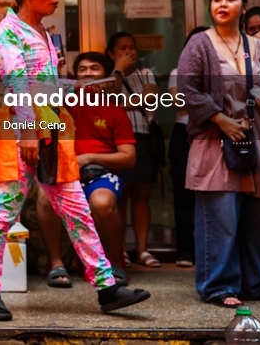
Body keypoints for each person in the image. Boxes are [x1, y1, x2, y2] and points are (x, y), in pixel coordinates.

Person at [0, 0, 149, 321]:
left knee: (77, 211)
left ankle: (106, 288)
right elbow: (17, 83)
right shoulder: (7, 31)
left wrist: (80, 86)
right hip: (19, 132)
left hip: (52, 129)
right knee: (3, 213)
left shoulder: (46, 33)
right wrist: (27, 132)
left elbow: (46, 85)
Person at [177, 0, 260, 307]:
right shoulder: (200, 43)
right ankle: (218, 287)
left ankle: (257, 284)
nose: (222, 4)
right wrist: (218, 117)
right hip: (214, 141)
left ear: (242, 5)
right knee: (221, 216)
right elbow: (185, 89)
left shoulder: (259, 47)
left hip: (258, 138)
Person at [37, 51, 136, 287]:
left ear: (106, 76)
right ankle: (57, 263)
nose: (89, 74)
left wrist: (88, 157)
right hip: (64, 173)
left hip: (100, 174)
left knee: (102, 202)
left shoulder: (115, 111)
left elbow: (129, 158)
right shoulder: (65, 104)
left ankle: (115, 264)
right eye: (83, 70)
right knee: (44, 197)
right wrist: (54, 72)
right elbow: (43, 99)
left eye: (95, 69)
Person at [105, 31, 161, 269]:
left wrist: (124, 105)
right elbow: (109, 101)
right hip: (115, 142)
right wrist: (117, 70)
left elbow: (151, 99)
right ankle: (120, 250)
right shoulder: (107, 77)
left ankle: (142, 250)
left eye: (132, 47)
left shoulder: (146, 73)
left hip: (143, 138)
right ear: (111, 53)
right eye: (122, 48)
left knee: (142, 195)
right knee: (119, 195)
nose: (128, 52)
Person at [167, 26, 208, 269]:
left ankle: (208, 250)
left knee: (211, 194)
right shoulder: (178, 72)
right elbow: (178, 103)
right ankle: (185, 249)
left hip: (212, 133)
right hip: (183, 134)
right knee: (183, 195)